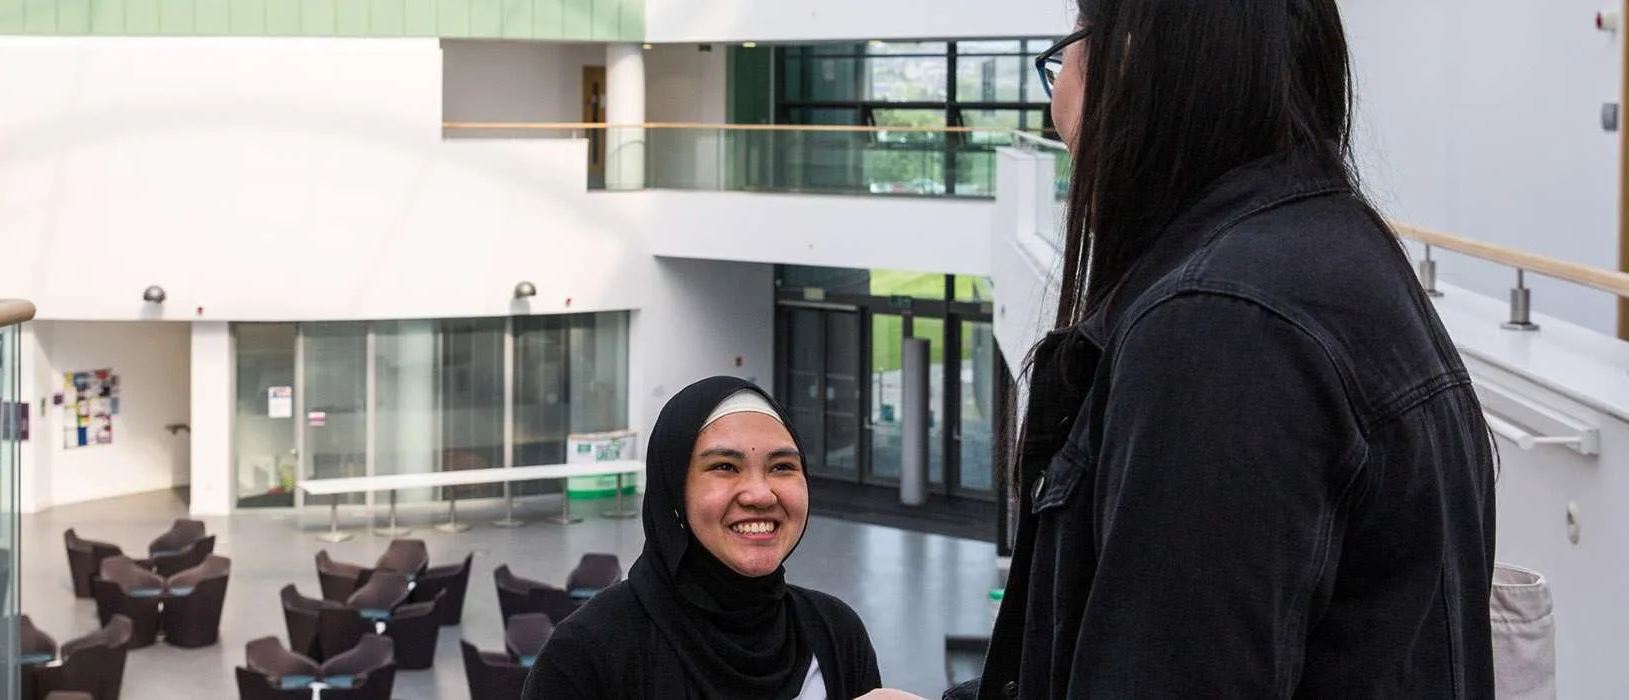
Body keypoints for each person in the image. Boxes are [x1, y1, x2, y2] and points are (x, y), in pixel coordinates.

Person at [896, 2, 1496, 699]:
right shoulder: (1337, 258)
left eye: (1068, 52)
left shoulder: (1220, 329)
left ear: (1133, 62)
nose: (1057, 105)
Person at [525, 376, 882, 699]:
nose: (760, 495)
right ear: (673, 489)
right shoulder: (586, 654)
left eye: (782, 467)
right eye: (725, 466)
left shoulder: (835, 632)